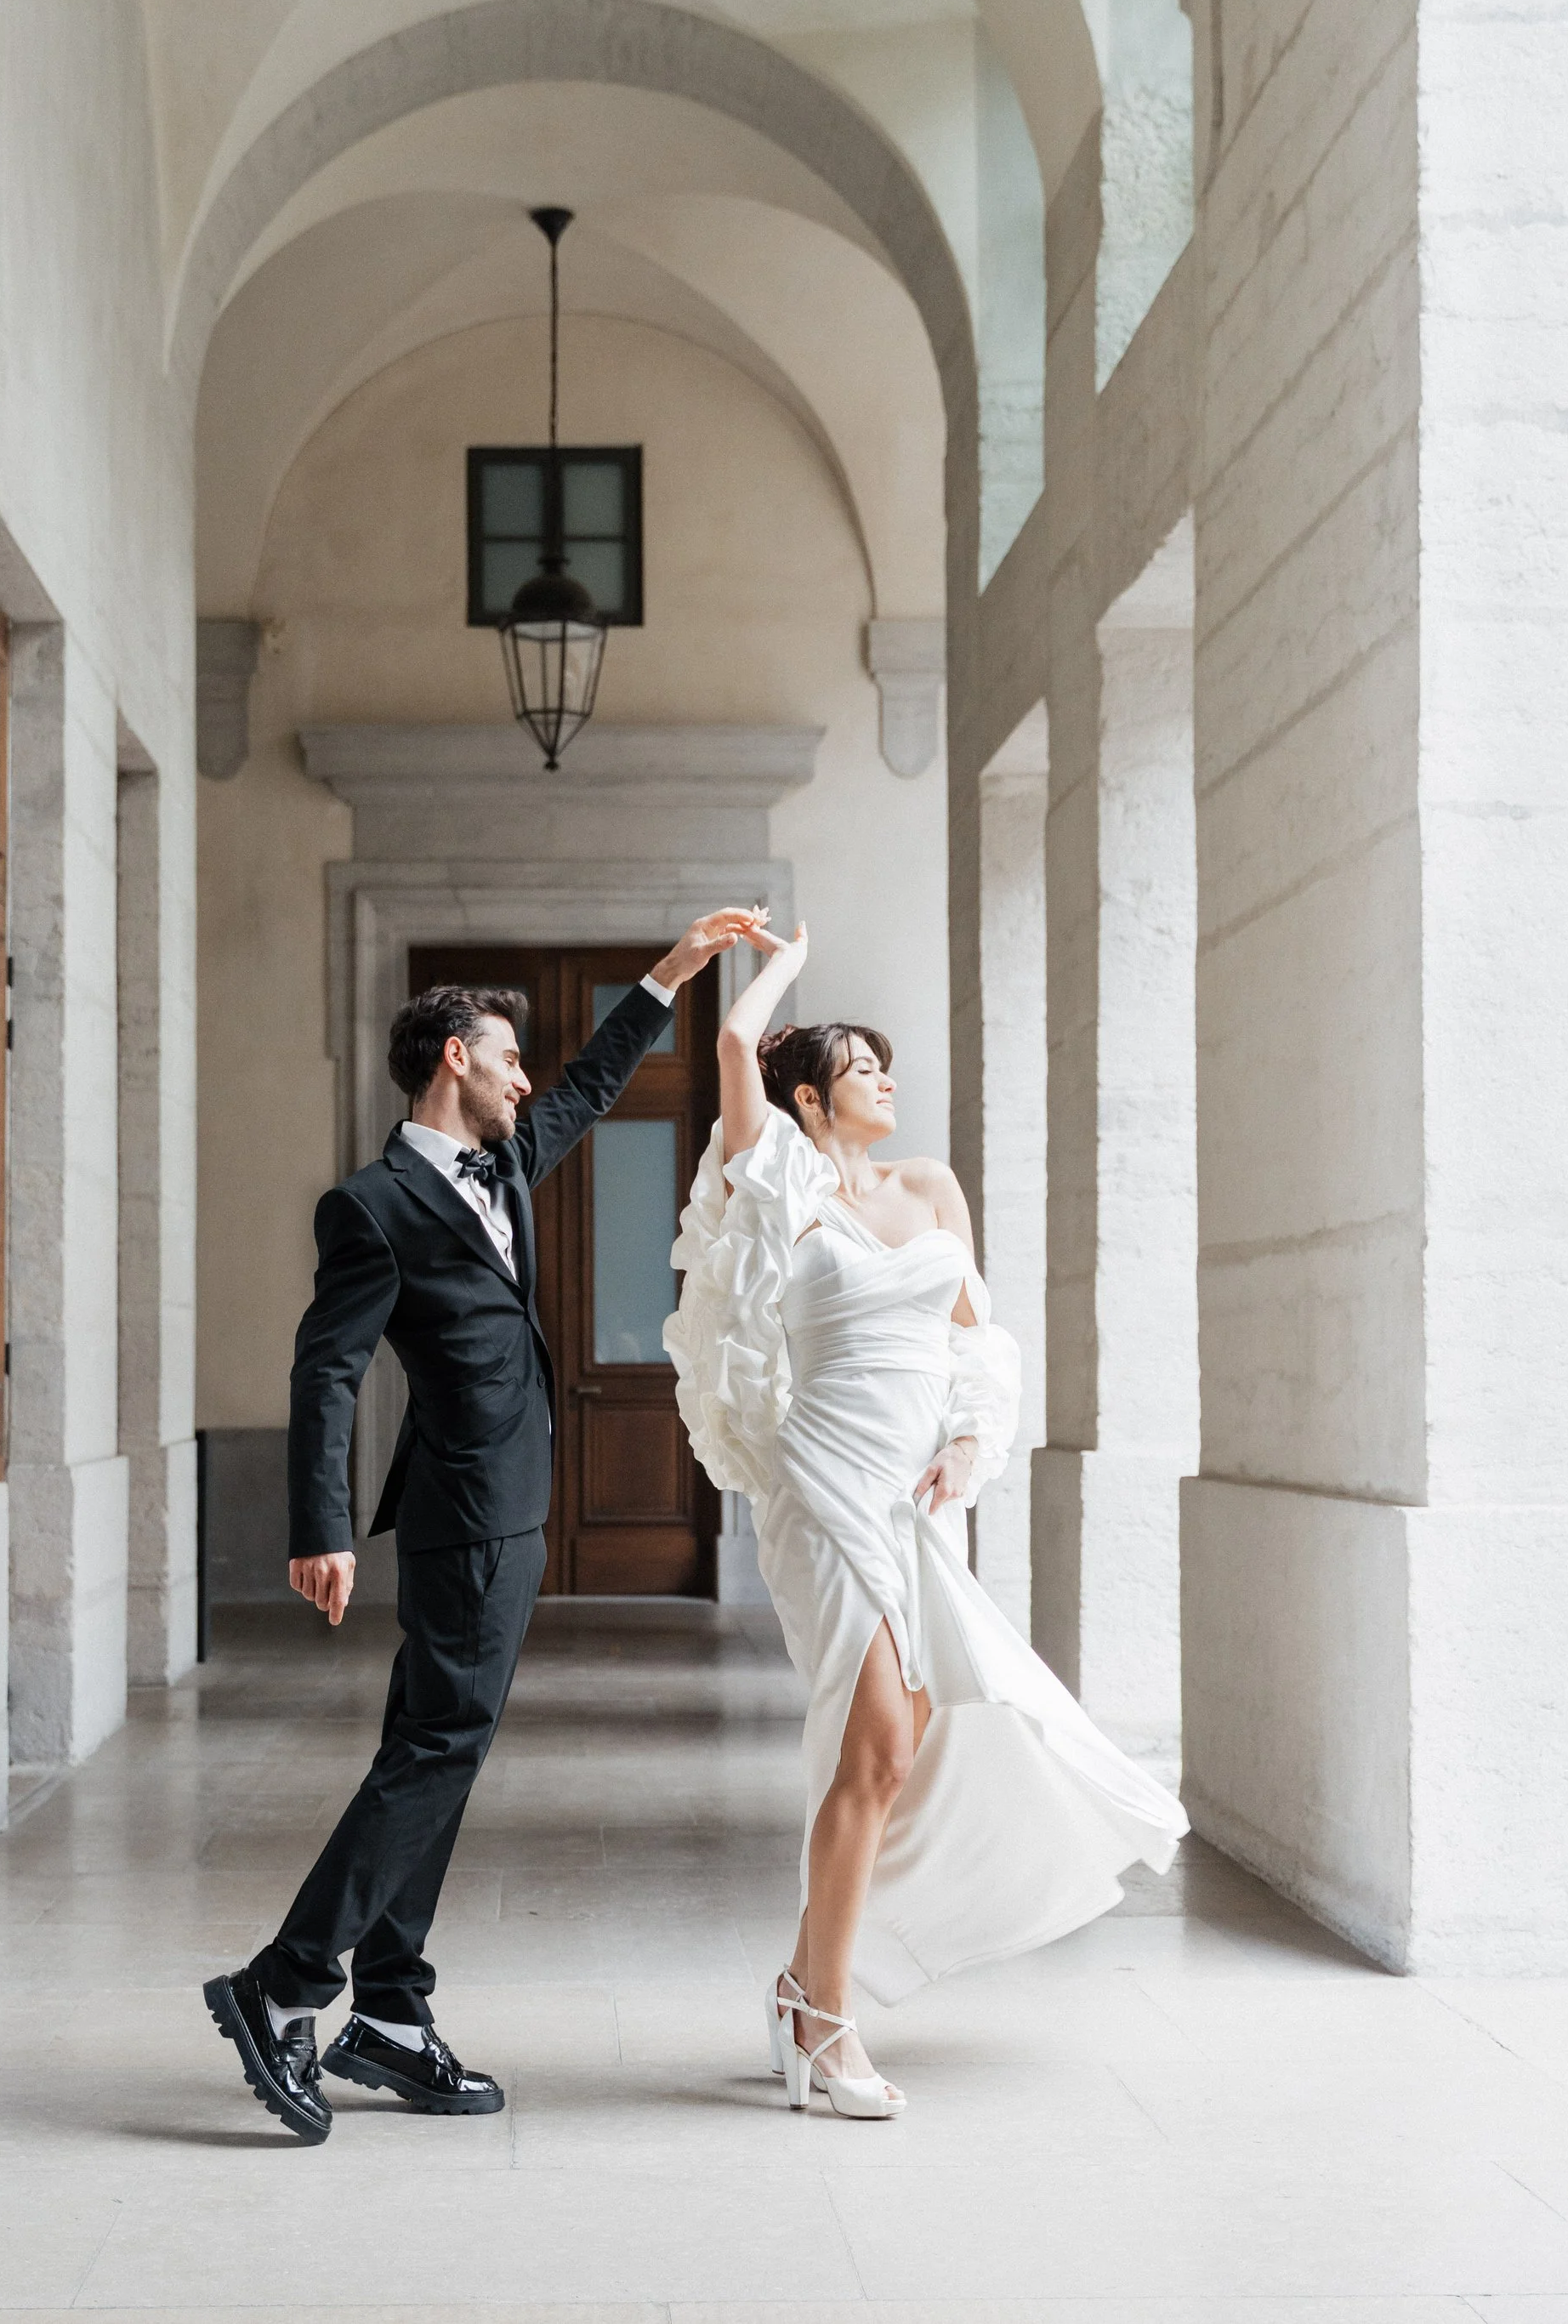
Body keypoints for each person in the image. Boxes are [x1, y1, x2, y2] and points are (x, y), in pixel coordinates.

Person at [205, 908, 767, 2144]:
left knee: (441, 1748)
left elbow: (588, 1085)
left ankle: (393, 2013)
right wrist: (324, 1524)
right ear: (451, 1056)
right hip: (461, 1509)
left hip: (516, 1506)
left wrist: (669, 974)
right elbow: (327, 1371)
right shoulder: (371, 1205)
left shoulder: (507, 1162)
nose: (526, 1078)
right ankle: (286, 1984)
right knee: (435, 1750)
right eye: (506, 1056)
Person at [666, 918, 1189, 2120]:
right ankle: (825, 2024)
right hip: (825, 1477)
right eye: (863, 1068)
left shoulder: (933, 1188)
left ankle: (809, 1990)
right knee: (877, 1747)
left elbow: (975, 1341)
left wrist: (968, 1441)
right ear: (811, 1097)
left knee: (899, 1749)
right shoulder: (784, 1183)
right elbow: (736, 1043)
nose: (887, 1083)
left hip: (919, 1491)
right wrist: (783, 961)